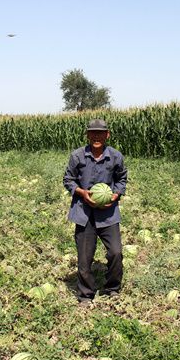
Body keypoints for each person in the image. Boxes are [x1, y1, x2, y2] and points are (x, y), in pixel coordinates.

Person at [63, 119, 128, 303]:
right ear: (88, 135)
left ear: (107, 135)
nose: (96, 136)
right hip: (84, 213)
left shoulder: (115, 156)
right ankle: (86, 295)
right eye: (93, 133)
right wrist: (82, 193)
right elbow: (68, 180)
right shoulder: (77, 156)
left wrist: (116, 195)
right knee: (84, 259)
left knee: (116, 252)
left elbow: (122, 178)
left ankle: (112, 288)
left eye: (100, 133)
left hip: (108, 213)